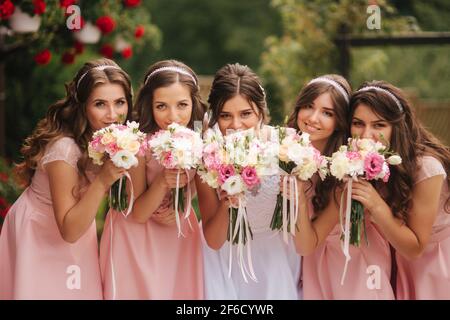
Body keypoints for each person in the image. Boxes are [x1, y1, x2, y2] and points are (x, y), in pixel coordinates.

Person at [0, 58, 132, 299]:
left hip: (79, 222)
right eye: (100, 104)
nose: (113, 114)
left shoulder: (114, 139)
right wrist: (103, 180)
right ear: (82, 106)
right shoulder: (64, 148)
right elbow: (69, 231)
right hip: (42, 232)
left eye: (120, 102)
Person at [100, 60, 206, 299]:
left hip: (178, 232)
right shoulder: (138, 144)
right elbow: (137, 213)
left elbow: (194, 185)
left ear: (193, 103)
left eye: (182, 105)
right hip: (137, 235)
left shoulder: (199, 137)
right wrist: (162, 182)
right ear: (149, 105)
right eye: (161, 106)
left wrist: (185, 197)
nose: (173, 116)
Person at [196, 63, 301, 299]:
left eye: (245, 114)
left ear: (261, 112)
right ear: (215, 116)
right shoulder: (208, 155)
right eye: (225, 116)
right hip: (225, 260)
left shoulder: (286, 147)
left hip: (276, 258)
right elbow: (212, 239)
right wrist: (227, 202)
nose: (236, 125)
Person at [289, 75, 395, 299]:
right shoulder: (285, 151)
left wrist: (297, 194)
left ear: (340, 121)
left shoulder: (344, 169)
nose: (314, 118)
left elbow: (308, 242)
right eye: (308, 106)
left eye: (328, 112)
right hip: (310, 262)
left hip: (353, 260)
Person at [349, 80, 450, 299]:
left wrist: (376, 204)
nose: (366, 135)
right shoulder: (362, 162)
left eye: (379, 125)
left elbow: (415, 248)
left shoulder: (426, 168)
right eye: (358, 123)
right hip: (391, 264)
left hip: (435, 267)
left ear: (397, 126)